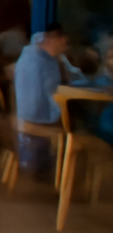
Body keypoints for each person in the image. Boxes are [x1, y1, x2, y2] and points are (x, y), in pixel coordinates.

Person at [13, 23, 85, 174]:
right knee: (81, 128)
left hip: (32, 118)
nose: (64, 47)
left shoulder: (51, 57)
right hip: (35, 120)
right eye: (63, 42)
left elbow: (76, 76)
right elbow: (42, 99)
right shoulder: (35, 62)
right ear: (52, 40)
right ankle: (68, 174)